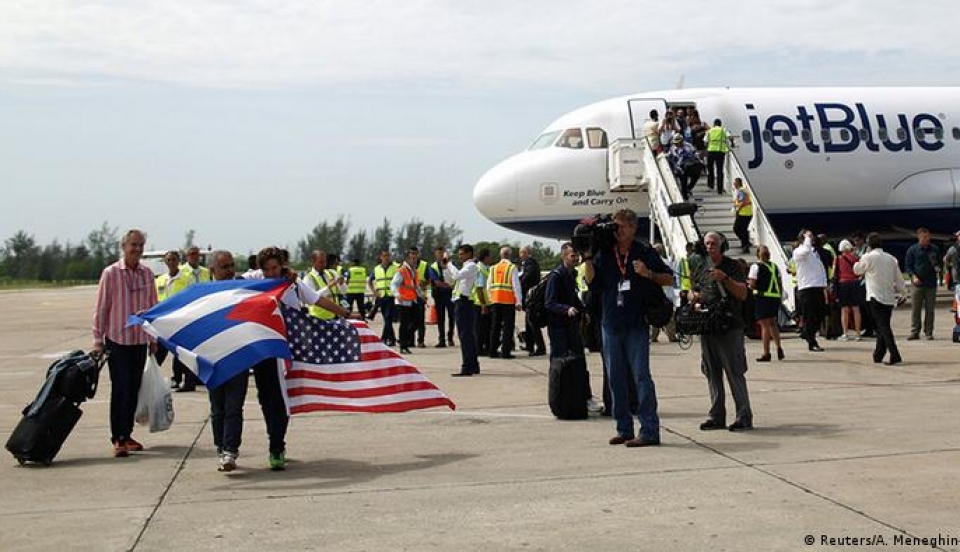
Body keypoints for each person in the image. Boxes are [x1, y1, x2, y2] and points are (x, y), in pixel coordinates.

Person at [254, 247, 358, 470]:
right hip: (262, 351)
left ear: (282, 265)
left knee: (282, 399)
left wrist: (347, 315)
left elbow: (318, 301)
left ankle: (276, 446)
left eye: (276, 267)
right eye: (268, 269)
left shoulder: (293, 284)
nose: (272, 272)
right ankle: (273, 437)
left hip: (287, 351)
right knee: (265, 398)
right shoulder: (253, 282)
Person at [583, 209, 673, 447]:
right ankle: (624, 428)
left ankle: (649, 430)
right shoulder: (605, 253)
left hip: (635, 324)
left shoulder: (644, 252)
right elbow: (592, 282)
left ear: (633, 228)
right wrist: (588, 257)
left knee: (641, 377)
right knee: (615, 379)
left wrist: (648, 273)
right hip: (610, 324)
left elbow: (669, 278)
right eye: (615, 226)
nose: (617, 230)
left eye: (622, 226)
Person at [93, 229, 158, 458]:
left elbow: (152, 308)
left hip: (139, 340)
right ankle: (118, 437)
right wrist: (97, 340)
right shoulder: (111, 273)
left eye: (141, 245)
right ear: (124, 246)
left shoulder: (147, 274)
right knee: (120, 388)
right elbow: (102, 308)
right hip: (117, 340)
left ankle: (127, 433)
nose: (137, 249)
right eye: (133, 245)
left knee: (133, 388)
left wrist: (153, 338)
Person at [691, 232, 753, 431]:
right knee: (711, 372)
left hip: (730, 326)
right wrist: (694, 296)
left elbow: (743, 293)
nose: (710, 247)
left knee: (734, 371)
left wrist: (725, 279)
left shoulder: (732, 266)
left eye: (714, 244)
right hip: (708, 326)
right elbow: (698, 290)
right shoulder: (701, 267)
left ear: (722, 246)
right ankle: (717, 415)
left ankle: (744, 415)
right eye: (707, 244)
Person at [207, 250, 250, 472]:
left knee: (234, 406)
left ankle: (230, 450)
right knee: (217, 408)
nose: (230, 270)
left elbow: (271, 279)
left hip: (238, 357)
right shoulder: (202, 294)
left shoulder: (242, 288)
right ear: (212, 270)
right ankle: (220, 447)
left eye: (232, 265)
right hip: (212, 358)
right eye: (225, 267)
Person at [546, 243, 601, 412]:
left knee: (579, 363)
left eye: (577, 256)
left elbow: (573, 297)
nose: (576, 258)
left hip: (572, 326)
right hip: (558, 328)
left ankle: (584, 397)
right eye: (572, 256)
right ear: (564, 256)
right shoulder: (556, 276)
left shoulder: (573, 274)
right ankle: (560, 397)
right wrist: (566, 309)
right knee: (560, 363)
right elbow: (549, 302)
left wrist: (583, 311)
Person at [854, 233, 906, 365]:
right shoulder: (891, 258)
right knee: (882, 325)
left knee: (883, 327)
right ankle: (878, 354)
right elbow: (899, 279)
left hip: (875, 296)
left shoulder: (868, 257)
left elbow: (857, 270)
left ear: (869, 245)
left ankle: (895, 354)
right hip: (889, 297)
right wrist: (903, 293)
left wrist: (859, 258)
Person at [154, 250, 198, 391]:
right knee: (158, 353)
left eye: (174, 260)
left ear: (179, 261)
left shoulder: (187, 278)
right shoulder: (160, 280)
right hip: (163, 321)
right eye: (169, 260)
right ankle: (153, 379)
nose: (171, 263)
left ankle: (188, 381)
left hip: (181, 320)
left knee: (182, 353)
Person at [793, 230, 828, 351]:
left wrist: (824, 284)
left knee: (821, 313)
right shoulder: (798, 251)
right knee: (810, 315)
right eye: (809, 236)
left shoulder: (813, 252)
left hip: (817, 286)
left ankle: (807, 333)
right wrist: (807, 238)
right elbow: (805, 251)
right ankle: (811, 341)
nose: (811, 238)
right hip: (807, 287)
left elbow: (820, 268)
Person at [748, 246, 784, 361]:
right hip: (774, 298)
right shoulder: (774, 266)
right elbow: (779, 283)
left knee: (764, 326)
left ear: (758, 254)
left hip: (762, 297)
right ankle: (779, 348)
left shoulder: (755, 266)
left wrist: (748, 284)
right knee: (773, 323)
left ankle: (766, 353)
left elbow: (752, 284)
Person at [904, 227, 941, 340]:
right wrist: (913, 276)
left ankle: (928, 332)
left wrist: (938, 268)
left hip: (931, 284)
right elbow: (907, 266)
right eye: (924, 237)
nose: (927, 239)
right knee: (916, 309)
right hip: (917, 284)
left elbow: (939, 263)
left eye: (928, 236)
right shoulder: (913, 250)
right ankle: (915, 331)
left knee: (930, 310)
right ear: (919, 237)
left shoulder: (934, 249)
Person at [450, 244, 482, 377]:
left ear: (469, 254)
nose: (460, 256)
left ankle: (467, 366)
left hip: (464, 303)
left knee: (465, 335)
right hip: (461, 301)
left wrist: (450, 265)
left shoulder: (471, 266)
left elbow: (456, 276)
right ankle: (473, 365)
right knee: (467, 335)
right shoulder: (466, 266)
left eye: (462, 254)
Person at [487, 246, 522, 359]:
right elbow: (516, 286)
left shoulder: (493, 268)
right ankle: (505, 352)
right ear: (509, 255)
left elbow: (489, 286)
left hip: (496, 300)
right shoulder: (512, 268)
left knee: (495, 326)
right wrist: (519, 301)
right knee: (508, 327)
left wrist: (491, 298)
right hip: (508, 301)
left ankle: (492, 351)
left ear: (501, 255)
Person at [391, 247, 424, 355]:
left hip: (411, 300)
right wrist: (397, 294)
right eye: (412, 254)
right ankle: (403, 346)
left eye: (416, 254)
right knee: (404, 324)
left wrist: (422, 295)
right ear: (408, 256)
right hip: (402, 301)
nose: (414, 257)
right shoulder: (402, 270)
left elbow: (415, 286)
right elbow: (394, 284)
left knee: (418, 320)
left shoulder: (414, 270)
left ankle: (403, 338)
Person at [518, 245, 546, 356]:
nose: (520, 255)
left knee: (533, 322)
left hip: (532, 298)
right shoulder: (528, 264)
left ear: (527, 253)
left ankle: (540, 347)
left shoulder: (530, 263)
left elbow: (528, 277)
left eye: (521, 253)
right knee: (528, 322)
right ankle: (529, 345)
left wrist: (519, 282)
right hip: (530, 298)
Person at [303, 250, 346, 321]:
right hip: (319, 319)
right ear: (313, 262)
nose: (324, 265)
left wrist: (342, 284)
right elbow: (311, 297)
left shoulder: (332, 273)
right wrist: (328, 287)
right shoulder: (308, 278)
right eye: (321, 262)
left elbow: (344, 292)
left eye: (325, 261)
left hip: (335, 317)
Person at [834, 239, 864, 341]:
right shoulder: (855, 258)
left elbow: (835, 273)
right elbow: (859, 272)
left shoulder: (837, 259)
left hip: (843, 284)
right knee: (856, 309)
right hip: (855, 283)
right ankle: (858, 334)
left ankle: (845, 333)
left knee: (845, 310)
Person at [429, 246, 457, 348]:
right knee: (440, 318)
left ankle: (450, 338)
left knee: (452, 316)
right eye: (439, 253)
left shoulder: (451, 265)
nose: (441, 255)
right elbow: (436, 282)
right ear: (436, 254)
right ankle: (441, 339)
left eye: (442, 253)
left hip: (450, 294)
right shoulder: (433, 267)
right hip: (439, 295)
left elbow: (455, 276)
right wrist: (449, 285)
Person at [369, 250, 398, 346]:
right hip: (381, 296)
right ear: (381, 257)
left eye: (388, 256)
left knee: (388, 317)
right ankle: (391, 338)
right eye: (384, 256)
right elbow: (370, 281)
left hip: (391, 296)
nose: (386, 258)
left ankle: (385, 338)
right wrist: (374, 291)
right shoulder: (376, 269)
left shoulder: (395, 267)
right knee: (386, 319)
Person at [667, 134, 702, 199]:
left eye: (678, 142)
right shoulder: (673, 148)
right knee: (683, 181)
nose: (677, 144)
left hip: (690, 165)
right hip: (680, 167)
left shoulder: (688, 146)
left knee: (696, 176)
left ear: (682, 141)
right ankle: (684, 197)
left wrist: (698, 158)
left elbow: (695, 153)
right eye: (675, 143)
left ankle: (689, 188)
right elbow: (669, 156)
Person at [473, 248, 492, 356]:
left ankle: (484, 347)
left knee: (485, 327)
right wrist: (483, 304)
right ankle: (479, 349)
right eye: (490, 256)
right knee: (480, 328)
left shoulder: (487, 268)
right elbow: (479, 288)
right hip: (480, 303)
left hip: (486, 302)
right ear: (485, 257)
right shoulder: (480, 269)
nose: (491, 258)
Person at [705, 118, 729, 194]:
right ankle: (719, 189)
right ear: (720, 124)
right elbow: (729, 136)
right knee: (719, 170)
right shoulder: (723, 130)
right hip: (720, 151)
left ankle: (710, 185)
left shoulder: (709, 130)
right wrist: (731, 143)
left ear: (714, 124)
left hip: (710, 151)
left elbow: (705, 140)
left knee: (710, 168)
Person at [732, 178, 752, 253]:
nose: (733, 184)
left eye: (734, 183)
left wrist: (738, 210)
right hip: (748, 213)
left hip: (743, 213)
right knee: (744, 230)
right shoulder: (744, 190)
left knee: (736, 228)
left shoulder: (740, 191)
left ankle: (745, 245)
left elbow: (743, 202)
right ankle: (746, 243)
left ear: (738, 183)